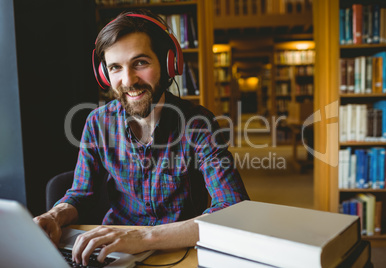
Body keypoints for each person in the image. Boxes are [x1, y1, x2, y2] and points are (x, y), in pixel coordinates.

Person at [34, 9, 249, 266]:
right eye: (115, 67)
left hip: (175, 251)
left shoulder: (198, 123)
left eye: (140, 63)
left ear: (168, 64)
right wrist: (55, 215)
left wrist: (144, 238)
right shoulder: (97, 122)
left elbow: (234, 209)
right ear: (104, 74)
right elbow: (81, 193)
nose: (128, 80)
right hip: (111, 249)